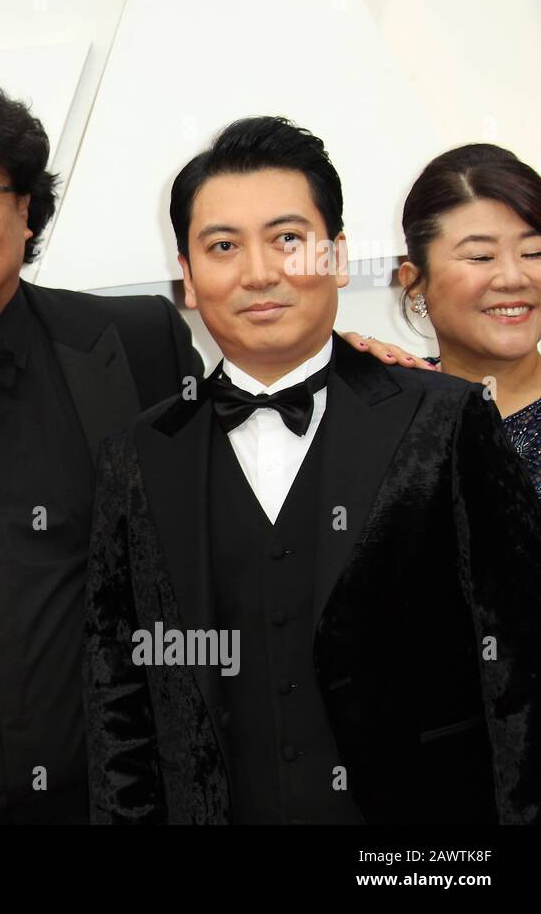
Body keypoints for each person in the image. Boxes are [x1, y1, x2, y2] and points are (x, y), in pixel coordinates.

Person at [0, 70, 423, 823]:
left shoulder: (134, 343)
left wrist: (344, 367)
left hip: (123, 799)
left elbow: (248, 446)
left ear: (27, 212)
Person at [84, 116, 541, 824]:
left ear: (336, 255)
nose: (260, 272)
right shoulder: (139, 455)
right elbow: (120, 699)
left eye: (288, 239)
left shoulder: (445, 420)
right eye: (224, 246)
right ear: (189, 277)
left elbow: (518, 669)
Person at [397, 143, 541, 493]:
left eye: (534, 252)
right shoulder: (381, 411)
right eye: (480, 257)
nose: (512, 278)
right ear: (415, 281)